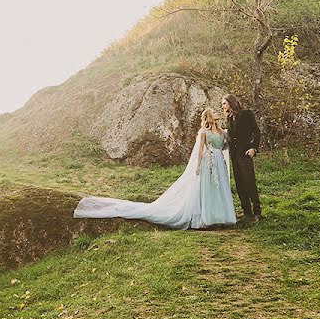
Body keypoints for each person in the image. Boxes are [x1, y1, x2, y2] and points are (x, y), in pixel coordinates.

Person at [73, 108, 236, 229]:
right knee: (207, 189)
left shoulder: (222, 131)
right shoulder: (203, 132)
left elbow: (224, 146)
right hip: (208, 161)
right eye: (214, 112)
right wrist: (199, 165)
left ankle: (219, 217)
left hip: (219, 162)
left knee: (218, 189)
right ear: (208, 116)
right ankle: (207, 219)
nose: (216, 113)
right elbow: (200, 150)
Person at [221, 94, 262, 222]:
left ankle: (257, 213)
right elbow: (231, 136)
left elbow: (256, 131)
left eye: (224, 103)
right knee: (239, 184)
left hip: (245, 153)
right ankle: (247, 213)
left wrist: (254, 148)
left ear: (231, 103)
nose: (223, 106)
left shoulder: (246, 114)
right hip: (234, 154)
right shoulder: (229, 117)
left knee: (249, 182)